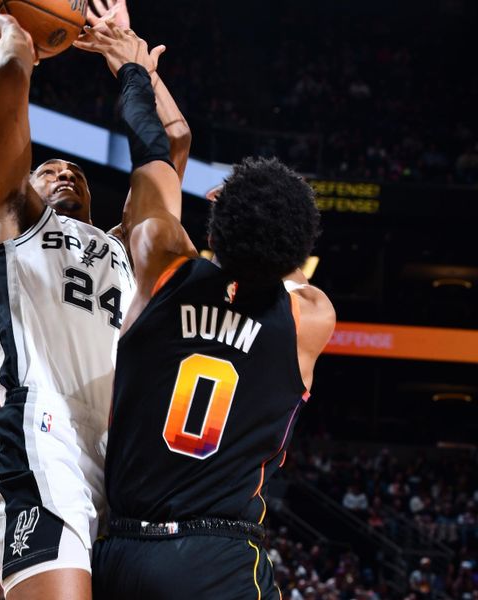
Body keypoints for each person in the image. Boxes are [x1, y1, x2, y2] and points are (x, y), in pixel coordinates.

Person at [74, 22, 337, 599]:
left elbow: (156, 150)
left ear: (217, 215)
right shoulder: (310, 319)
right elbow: (284, 270)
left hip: (121, 555)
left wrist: (133, 69)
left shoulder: (161, 264)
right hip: (218, 559)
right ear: (300, 244)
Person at [0, 0, 191, 597]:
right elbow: (8, 103)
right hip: (41, 439)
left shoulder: (125, 247)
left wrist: (131, 56)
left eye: (77, 171)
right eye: (49, 170)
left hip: (120, 460)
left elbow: (172, 142)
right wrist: (16, 42)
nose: (65, 171)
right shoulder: (12, 223)